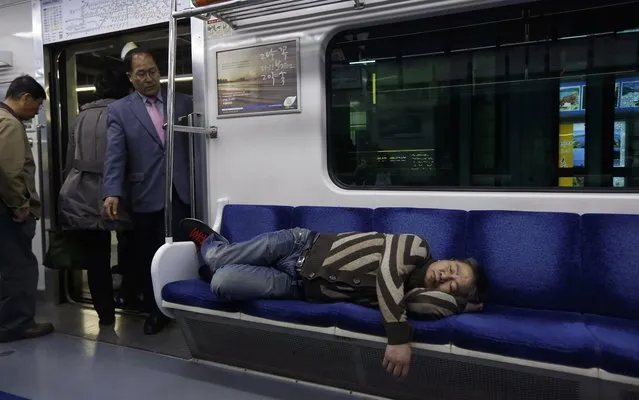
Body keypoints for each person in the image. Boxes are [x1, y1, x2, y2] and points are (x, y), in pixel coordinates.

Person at [180, 218, 489, 378]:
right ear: (448, 258)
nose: (445, 277)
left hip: (297, 286)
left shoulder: (414, 296)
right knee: (220, 261)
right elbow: (387, 275)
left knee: (221, 282)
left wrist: (463, 303)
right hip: (299, 245)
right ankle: (212, 242)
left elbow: (432, 307)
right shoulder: (417, 246)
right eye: (451, 269)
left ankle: (225, 267)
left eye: (452, 285)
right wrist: (398, 338)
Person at [102, 48, 192, 335]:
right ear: (131, 77)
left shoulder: (182, 101)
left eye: (153, 71)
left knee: (183, 251)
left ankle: (184, 306)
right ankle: (156, 309)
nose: (149, 78)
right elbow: (115, 155)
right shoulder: (120, 110)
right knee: (150, 257)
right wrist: (111, 191)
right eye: (141, 73)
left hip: (182, 191)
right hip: (144, 193)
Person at [57, 68, 134, 326]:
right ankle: (132, 297)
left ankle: (105, 315)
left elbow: (70, 158)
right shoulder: (126, 111)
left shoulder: (81, 116)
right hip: (120, 191)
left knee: (96, 257)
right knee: (132, 247)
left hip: (81, 189)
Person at [0, 75, 54, 342]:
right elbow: (10, 173)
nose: (36, 113)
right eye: (37, 106)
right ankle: (17, 324)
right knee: (20, 267)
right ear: (25, 98)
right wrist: (20, 206)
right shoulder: (10, 124)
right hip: (6, 212)